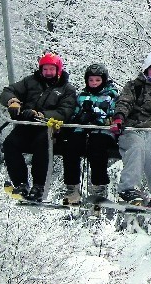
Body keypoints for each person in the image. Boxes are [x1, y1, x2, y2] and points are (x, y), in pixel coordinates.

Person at [0, 52, 77, 201]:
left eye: (51, 69)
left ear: (58, 70)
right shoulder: (31, 82)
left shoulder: (66, 89)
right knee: (10, 143)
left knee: (42, 144)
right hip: (27, 124)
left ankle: (39, 185)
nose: (48, 73)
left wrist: (42, 115)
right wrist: (13, 101)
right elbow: (9, 91)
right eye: (45, 69)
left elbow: (65, 111)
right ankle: (21, 183)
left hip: (48, 127)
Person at [109, 51, 151, 205]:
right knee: (137, 147)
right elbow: (124, 102)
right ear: (146, 70)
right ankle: (128, 188)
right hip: (134, 128)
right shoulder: (135, 86)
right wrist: (119, 118)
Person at [61, 64, 119, 204]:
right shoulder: (82, 95)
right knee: (71, 147)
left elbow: (114, 116)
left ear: (103, 80)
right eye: (91, 80)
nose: (94, 83)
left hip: (103, 131)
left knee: (97, 148)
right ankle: (72, 187)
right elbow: (74, 113)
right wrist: (79, 117)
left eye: (97, 80)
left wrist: (97, 117)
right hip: (82, 129)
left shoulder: (111, 95)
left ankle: (99, 187)